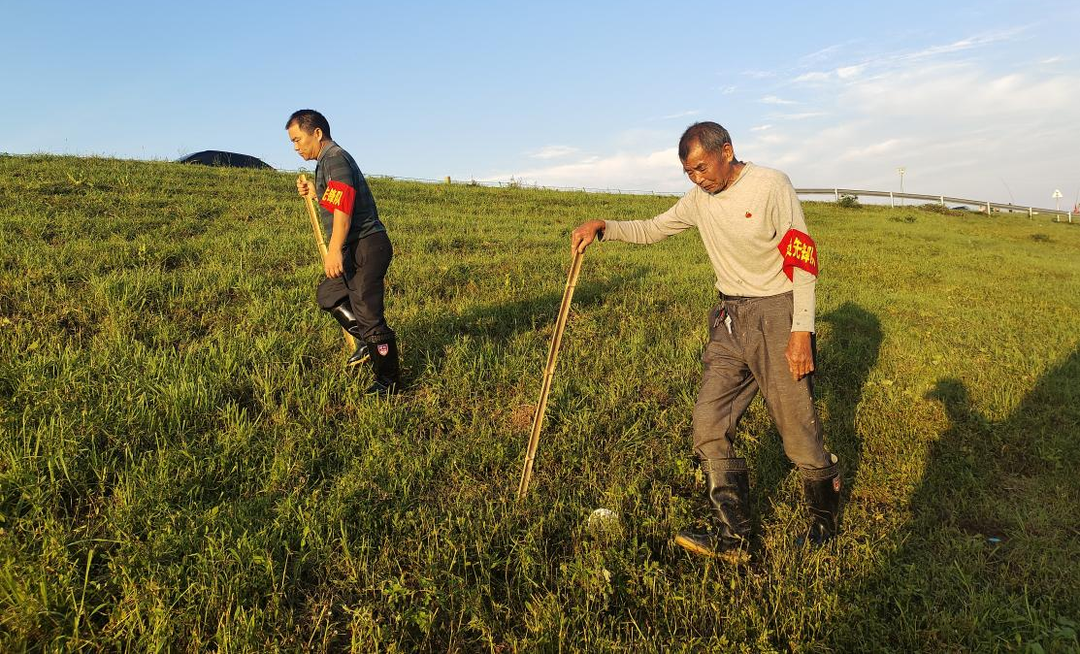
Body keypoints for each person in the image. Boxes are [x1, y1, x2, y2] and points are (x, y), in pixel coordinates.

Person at [570, 122, 840, 561]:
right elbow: (654, 228)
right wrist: (604, 226)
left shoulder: (771, 185)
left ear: (726, 151)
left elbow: (801, 257)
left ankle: (824, 520)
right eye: (688, 172)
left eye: (701, 167)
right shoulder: (699, 200)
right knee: (708, 423)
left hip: (777, 313)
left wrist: (801, 331)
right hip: (729, 318)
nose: (697, 179)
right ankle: (734, 536)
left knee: (796, 429)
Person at [286, 109, 400, 394]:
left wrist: (334, 249)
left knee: (368, 312)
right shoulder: (327, 161)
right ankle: (366, 341)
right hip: (354, 245)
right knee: (329, 294)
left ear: (317, 133)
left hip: (366, 244)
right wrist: (317, 192)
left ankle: (389, 380)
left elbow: (344, 209)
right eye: (292, 142)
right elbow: (337, 199)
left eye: (298, 139)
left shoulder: (335, 158)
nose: (296, 147)